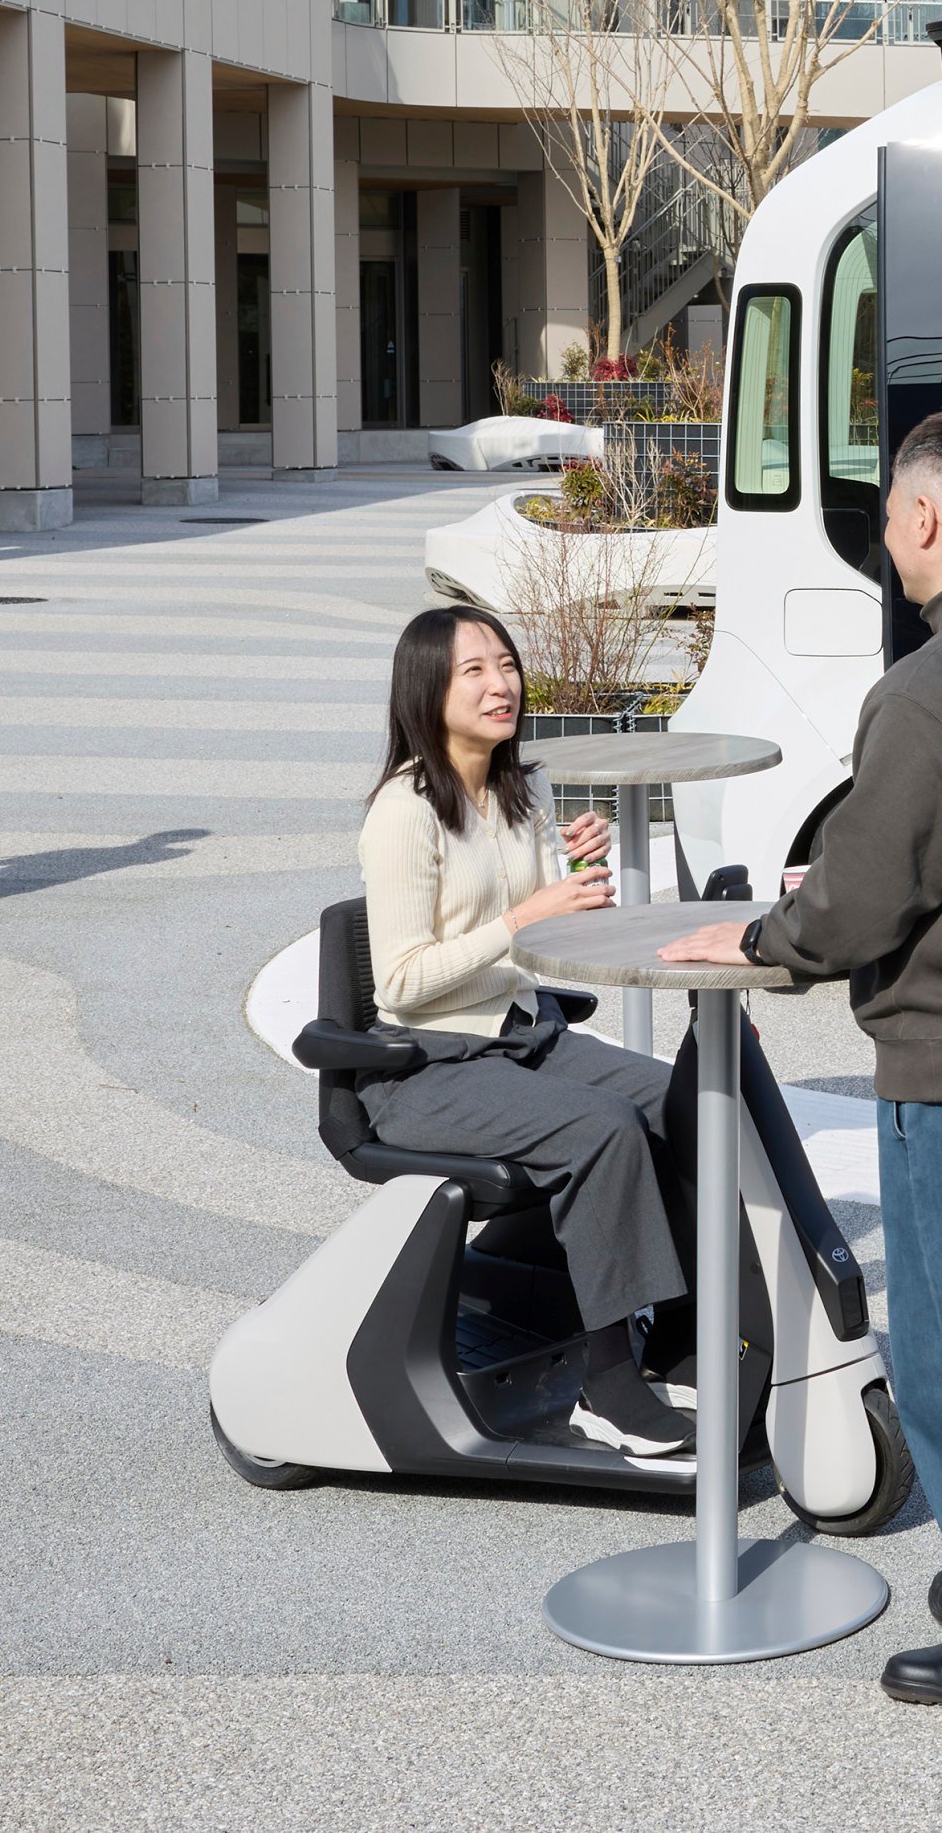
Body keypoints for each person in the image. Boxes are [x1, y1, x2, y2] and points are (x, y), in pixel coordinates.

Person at [662, 409, 942, 1708]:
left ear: (923, 520)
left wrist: (761, 928)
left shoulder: (924, 688)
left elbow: (858, 904)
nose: (888, 542)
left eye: (887, 520)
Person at [350, 604, 700, 1459]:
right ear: (426, 689)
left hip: (519, 1035)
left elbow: (548, 929)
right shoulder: (405, 812)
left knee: (684, 1099)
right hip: (424, 1064)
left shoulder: (523, 786)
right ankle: (609, 1388)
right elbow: (399, 980)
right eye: (473, 670)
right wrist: (524, 916)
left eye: (504, 664)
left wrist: (578, 867)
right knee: (603, 1131)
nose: (499, 684)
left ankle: (680, 1337)